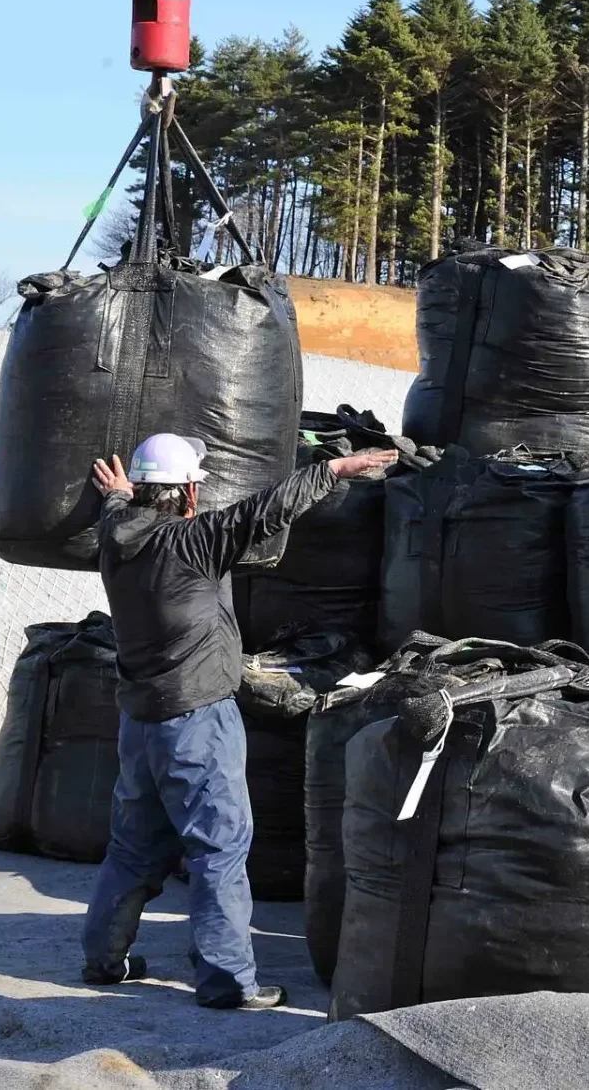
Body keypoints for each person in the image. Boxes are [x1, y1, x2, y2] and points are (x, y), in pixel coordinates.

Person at [82, 433, 398, 1010]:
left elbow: (124, 510)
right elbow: (266, 509)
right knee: (218, 850)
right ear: (185, 495)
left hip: (140, 722)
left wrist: (118, 496)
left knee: (131, 847)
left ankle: (104, 958)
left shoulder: (115, 536)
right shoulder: (192, 543)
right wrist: (336, 469)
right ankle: (229, 982)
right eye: (196, 486)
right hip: (196, 722)